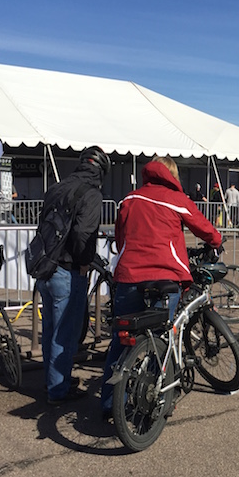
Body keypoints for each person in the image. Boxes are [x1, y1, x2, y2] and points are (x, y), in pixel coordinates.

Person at [100, 156, 222, 420]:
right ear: (172, 175)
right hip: (164, 276)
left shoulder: (130, 199)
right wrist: (216, 241)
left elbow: (121, 238)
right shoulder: (175, 198)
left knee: (121, 341)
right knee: (162, 339)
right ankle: (160, 397)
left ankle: (109, 403)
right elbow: (204, 228)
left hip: (129, 275)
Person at [38, 147, 110, 405]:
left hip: (46, 267)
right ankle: (58, 390)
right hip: (67, 271)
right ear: (101, 171)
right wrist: (84, 262)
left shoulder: (57, 188)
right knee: (65, 334)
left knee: (49, 331)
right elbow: (83, 234)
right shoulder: (91, 193)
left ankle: (52, 381)